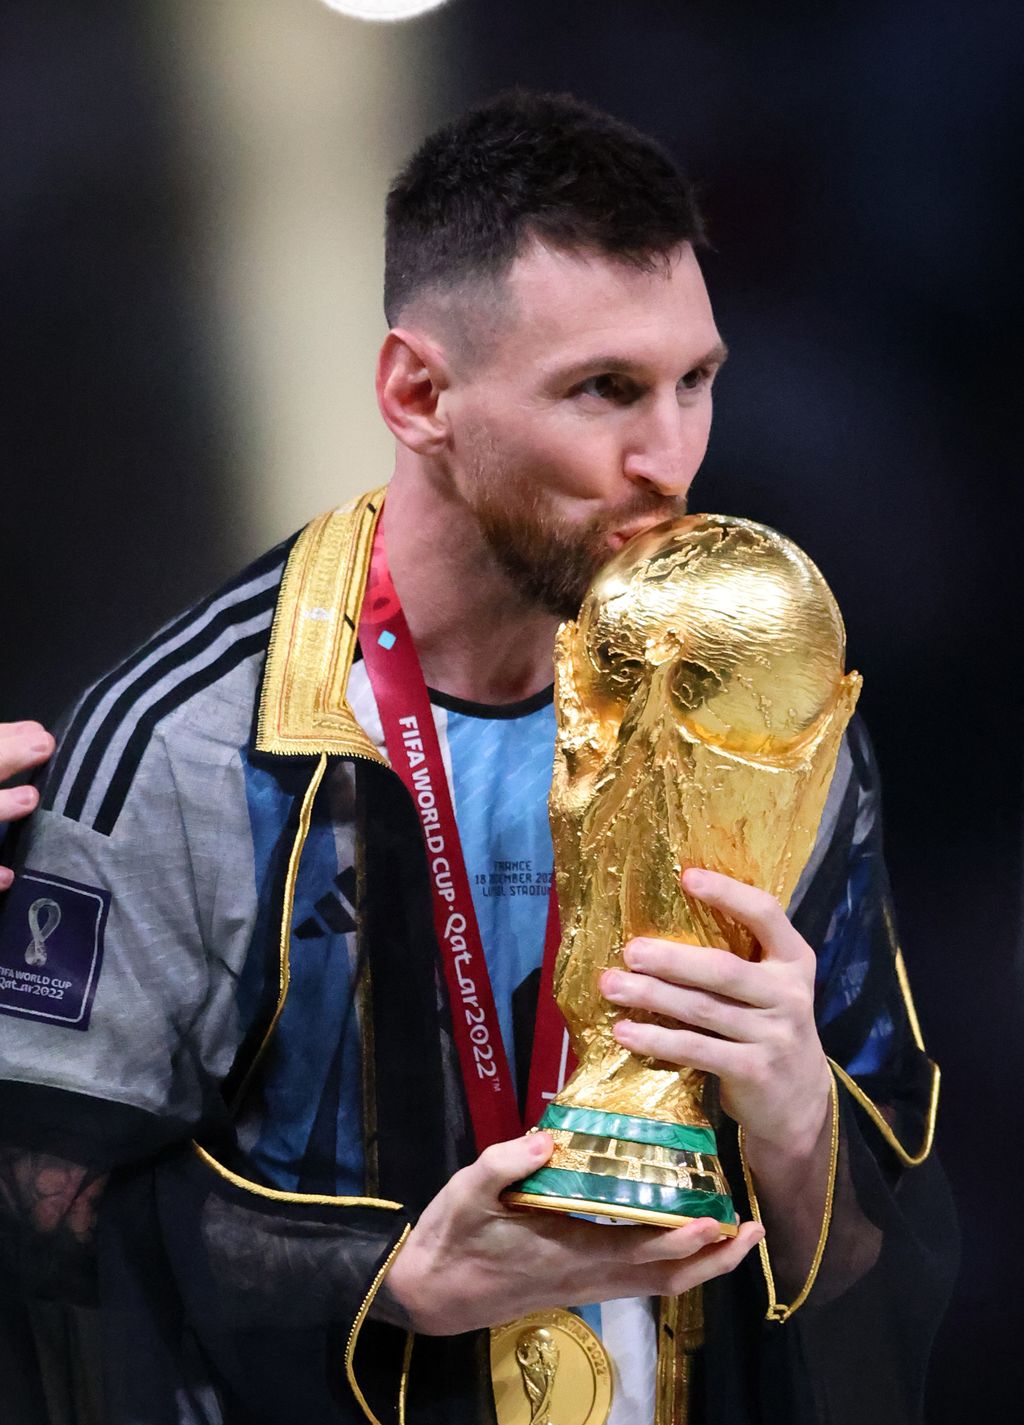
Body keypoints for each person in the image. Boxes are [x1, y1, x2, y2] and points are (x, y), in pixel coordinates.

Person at [0, 91, 954, 1425]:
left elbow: (878, 1246)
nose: (666, 457)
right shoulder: (188, 744)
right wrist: (392, 1273)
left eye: (696, 382)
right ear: (419, 392)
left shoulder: (764, 711)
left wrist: (799, 1120)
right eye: (604, 390)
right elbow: (37, 1205)